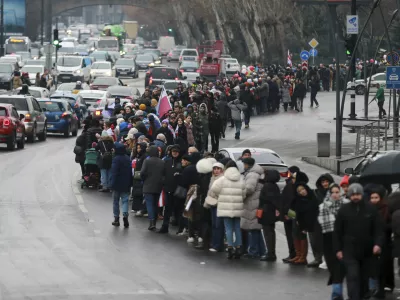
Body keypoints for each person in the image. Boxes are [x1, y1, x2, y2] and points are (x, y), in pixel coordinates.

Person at [334, 183, 384, 300]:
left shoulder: (371, 209)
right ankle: (353, 297)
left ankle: (362, 296)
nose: (355, 197)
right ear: (349, 196)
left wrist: (378, 244)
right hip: (349, 249)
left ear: (361, 194)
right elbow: (337, 232)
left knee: (363, 278)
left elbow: (378, 229)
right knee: (353, 276)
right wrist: (338, 249)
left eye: (357, 194)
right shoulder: (343, 210)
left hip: (367, 250)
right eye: (353, 195)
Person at [209, 160, 246, 259]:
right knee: (237, 228)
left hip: (225, 207)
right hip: (238, 208)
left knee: (228, 228)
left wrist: (220, 195)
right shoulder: (241, 179)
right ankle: (238, 247)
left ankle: (230, 248)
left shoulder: (222, 180)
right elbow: (244, 194)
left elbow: (213, 190)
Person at [318, 184, 348, 300]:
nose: (335, 194)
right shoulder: (323, 206)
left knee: (340, 269)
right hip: (328, 242)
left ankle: (336, 294)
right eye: (333, 192)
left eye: (337, 192)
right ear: (329, 193)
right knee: (333, 268)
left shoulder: (347, 205)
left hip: (343, 241)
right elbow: (321, 227)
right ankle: (337, 293)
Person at [368, 186, 394, 298]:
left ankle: (381, 290)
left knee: (382, 267)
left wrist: (381, 226)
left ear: (381, 198)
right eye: (372, 197)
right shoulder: (368, 209)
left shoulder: (386, 209)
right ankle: (373, 288)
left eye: (376, 197)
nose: (374, 200)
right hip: (371, 242)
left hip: (385, 243)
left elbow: (391, 226)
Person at [281, 167, 309, 263]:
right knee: (293, 235)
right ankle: (297, 255)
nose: (291, 179)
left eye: (293, 178)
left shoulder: (300, 189)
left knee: (299, 235)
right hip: (291, 215)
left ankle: (301, 256)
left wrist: (290, 214)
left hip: (297, 216)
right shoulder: (290, 186)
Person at [241, 157, 267, 259]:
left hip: (252, 203)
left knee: (253, 228)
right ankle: (261, 250)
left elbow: (249, 189)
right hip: (255, 202)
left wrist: (241, 194)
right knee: (256, 229)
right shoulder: (256, 172)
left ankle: (253, 251)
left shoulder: (252, 174)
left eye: (244, 164)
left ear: (247, 164)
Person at [309, 173, 334, 268]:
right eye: (323, 182)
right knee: (315, 240)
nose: (325, 184)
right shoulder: (316, 193)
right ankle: (317, 258)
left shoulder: (334, 192)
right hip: (317, 219)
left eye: (327, 181)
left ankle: (328, 259)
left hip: (329, 220)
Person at [291, 182, 319, 265]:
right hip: (298, 220)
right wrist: (292, 218)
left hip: (310, 222)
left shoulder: (312, 197)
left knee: (310, 239)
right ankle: (299, 255)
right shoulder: (297, 199)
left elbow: (313, 211)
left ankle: (303, 257)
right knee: (296, 235)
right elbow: (293, 208)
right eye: (300, 191)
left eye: (303, 189)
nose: (302, 192)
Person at [158, 145, 182, 233]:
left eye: (176, 152)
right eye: (173, 151)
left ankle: (179, 228)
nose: (175, 153)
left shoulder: (181, 162)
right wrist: (164, 182)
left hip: (178, 190)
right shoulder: (167, 161)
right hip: (168, 188)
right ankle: (165, 226)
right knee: (167, 209)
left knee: (178, 209)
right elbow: (162, 173)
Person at [141, 145, 165, 231]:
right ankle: (154, 221)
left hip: (148, 185)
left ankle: (151, 222)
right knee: (155, 204)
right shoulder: (162, 162)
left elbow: (142, 173)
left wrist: (144, 180)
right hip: (158, 186)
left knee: (149, 204)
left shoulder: (147, 161)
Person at [111, 142, 133, 228]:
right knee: (125, 201)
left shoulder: (116, 159)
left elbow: (114, 172)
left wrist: (112, 183)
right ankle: (125, 216)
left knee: (116, 201)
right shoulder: (127, 158)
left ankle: (116, 219)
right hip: (126, 183)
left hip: (117, 183)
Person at [204, 162, 225, 252]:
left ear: (222, 170)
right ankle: (214, 243)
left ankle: (218, 245)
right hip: (212, 203)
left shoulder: (222, 179)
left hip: (219, 204)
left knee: (218, 225)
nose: (216, 170)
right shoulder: (212, 178)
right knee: (214, 225)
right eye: (214, 168)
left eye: (218, 169)